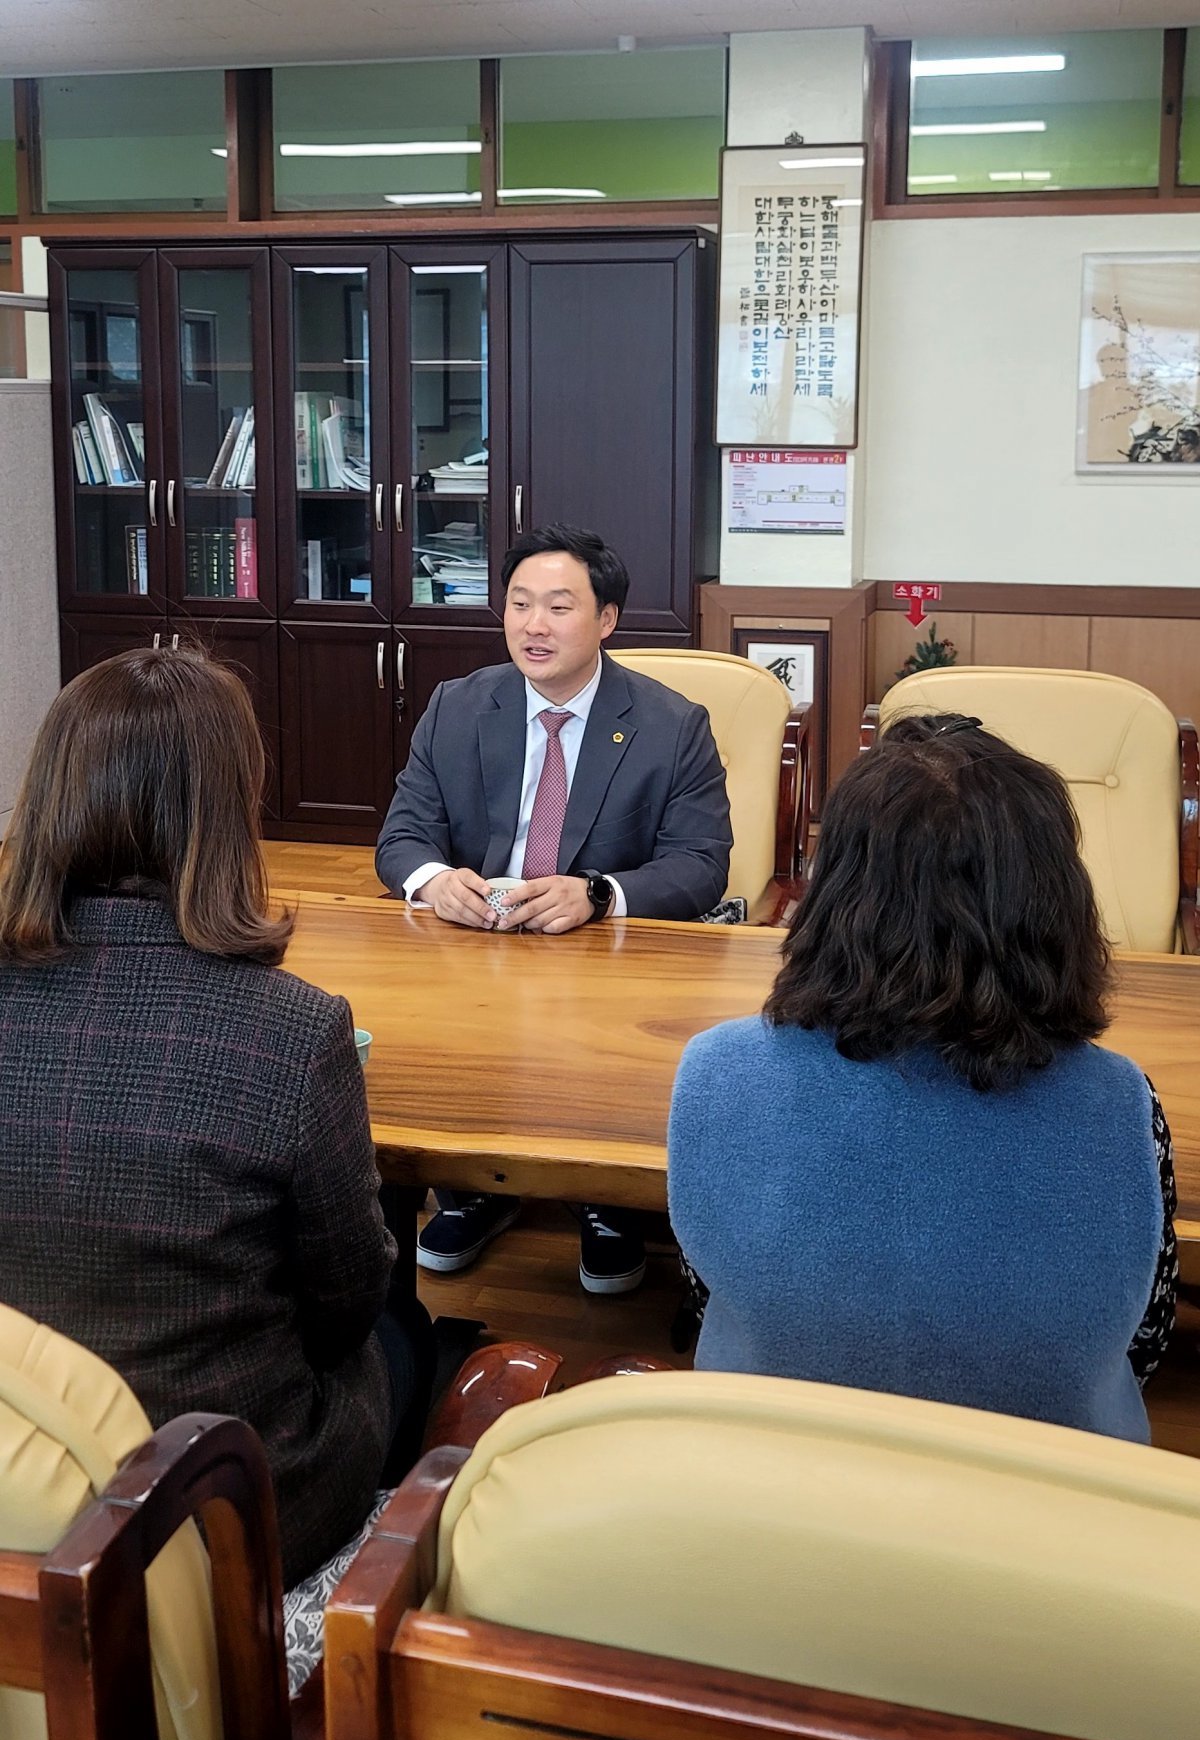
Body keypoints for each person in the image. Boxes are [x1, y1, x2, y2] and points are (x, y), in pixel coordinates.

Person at [0, 646, 433, 1587]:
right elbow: (344, 1306)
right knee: (407, 1333)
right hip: (214, 1507)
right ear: (228, 812)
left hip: (16, 1475)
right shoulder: (292, 1029)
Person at [668, 713, 1177, 1442]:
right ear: (1053, 898)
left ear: (834, 889)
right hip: (1055, 1509)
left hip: (771, 1493)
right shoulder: (1120, 1105)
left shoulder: (713, 1074)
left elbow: (712, 1289)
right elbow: (1146, 1339)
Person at [376, 522, 733, 1293]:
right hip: (474, 951)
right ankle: (468, 1187)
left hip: (604, 959)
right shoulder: (456, 706)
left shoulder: (673, 727)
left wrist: (601, 895)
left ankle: (604, 1201)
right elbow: (401, 837)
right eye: (518, 604)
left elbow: (701, 867)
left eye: (559, 606)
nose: (533, 625)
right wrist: (436, 881)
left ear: (606, 619)